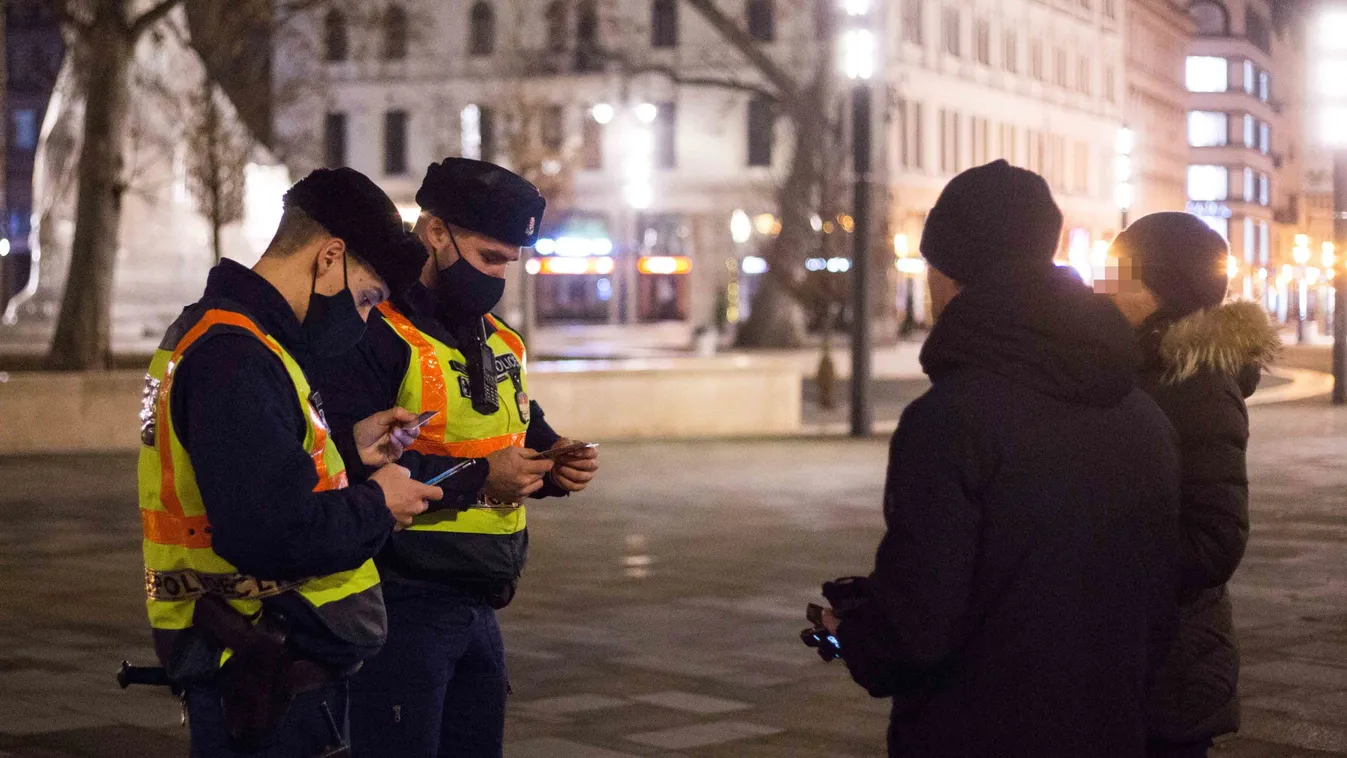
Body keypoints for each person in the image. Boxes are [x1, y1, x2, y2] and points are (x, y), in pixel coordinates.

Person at [819, 160, 1183, 757]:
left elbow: (918, 629)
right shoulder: (1142, 414)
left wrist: (852, 634)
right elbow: (1159, 602)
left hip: (974, 732)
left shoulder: (949, 421)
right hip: (1109, 728)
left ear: (949, 274)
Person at [137, 167, 444, 756]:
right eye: (367, 299)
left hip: (264, 666)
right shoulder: (236, 355)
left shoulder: (236, 335)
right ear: (329, 258)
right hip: (264, 677)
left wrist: (349, 449)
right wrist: (379, 503)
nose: (363, 320)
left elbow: (251, 475)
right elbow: (271, 531)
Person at [309, 157, 600, 757]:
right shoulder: (374, 330)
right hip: (401, 601)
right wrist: (483, 478)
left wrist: (555, 463)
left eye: (508, 263)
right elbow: (349, 464)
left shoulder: (499, 338)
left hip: (480, 603)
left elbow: (519, 429)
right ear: (435, 232)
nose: (497, 276)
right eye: (489, 257)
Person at [1099, 212, 1280, 758]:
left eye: (1119, 272)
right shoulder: (1136, 364)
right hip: (1133, 655)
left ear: (1162, 289)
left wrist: (1096, 548)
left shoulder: (1198, 385)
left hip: (1170, 664)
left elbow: (1214, 541)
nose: (1104, 285)